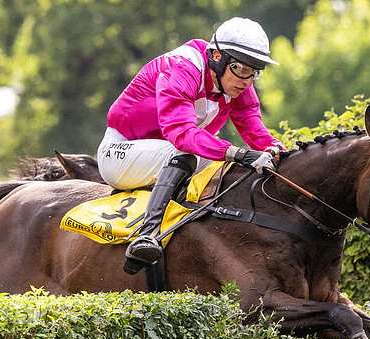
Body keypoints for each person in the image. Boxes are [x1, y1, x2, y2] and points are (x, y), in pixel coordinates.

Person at [97, 17, 287, 274]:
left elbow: (251, 123)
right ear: (217, 56)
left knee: (226, 168)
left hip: (169, 157)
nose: (247, 81)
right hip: (120, 153)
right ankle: (147, 236)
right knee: (194, 154)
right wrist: (238, 153)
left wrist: (276, 149)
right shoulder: (182, 67)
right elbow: (182, 134)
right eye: (241, 69)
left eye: (255, 72)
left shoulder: (233, 81)